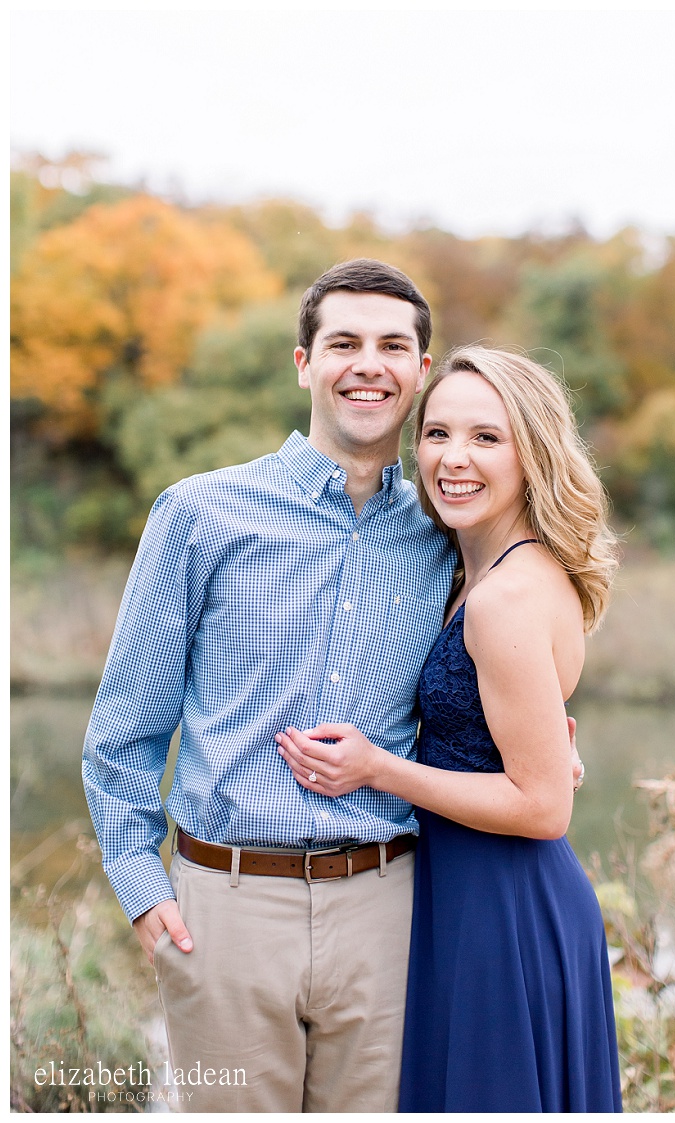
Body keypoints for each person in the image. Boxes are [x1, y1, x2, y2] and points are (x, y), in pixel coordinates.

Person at [83, 259, 453, 1111]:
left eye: (394, 345)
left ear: (421, 372)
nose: (371, 364)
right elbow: (125, 728)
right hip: (227, 909)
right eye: (345, 343)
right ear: (303, 363)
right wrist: (143, 886)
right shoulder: (199, 514)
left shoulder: (443, 534)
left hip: (390, 909)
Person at [274, 345, 623, 1112]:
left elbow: (543, 806)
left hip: (503, 912)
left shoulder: (504, 598)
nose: (452, 458)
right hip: (471, 896)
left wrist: (376, 768)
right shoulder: (484, 572)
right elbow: (522, 745)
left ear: (532, 455)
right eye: (436, 433)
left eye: (486, 438)